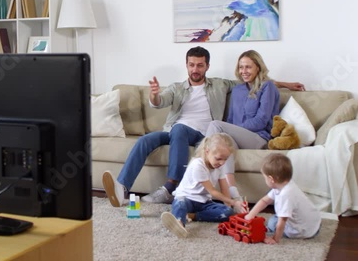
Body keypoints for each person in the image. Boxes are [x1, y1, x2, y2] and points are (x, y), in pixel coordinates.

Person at [102, 46, 305, 207]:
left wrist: (285, 84)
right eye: (192, 65)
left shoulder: (220, 85)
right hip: (175, 130)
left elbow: (256, 81)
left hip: (201, 134)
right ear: (187, 65)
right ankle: (122, 188)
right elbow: (158, 102)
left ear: (207, 66)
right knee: (147, 139)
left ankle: (171, 186)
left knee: (180, 130)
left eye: (200, 65)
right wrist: (154, 94)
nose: (195, 69)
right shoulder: (176, 88)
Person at [205, 50, 280, 204]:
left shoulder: (268, 87)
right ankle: (233, 194)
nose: (243, 71)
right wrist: (231, 131)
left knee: (215, 125)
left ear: (258, 67)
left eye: (248, 67)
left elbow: (261, 120)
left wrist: (235, 129)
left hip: (259, 138)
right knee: (223, 140)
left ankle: (202, 174)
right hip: (238, 138)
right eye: (241, 67)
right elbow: (231, 119)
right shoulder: (237, 90)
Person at [160, 133, 244, 238]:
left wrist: (228, 208)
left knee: (227, 212)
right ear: (207, 151)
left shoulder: (220, 166)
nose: (222, 163)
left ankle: (192, 216)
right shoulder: (198, 165)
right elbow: (212, 191)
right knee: (180, 203)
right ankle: (180, 223)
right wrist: (234, 202)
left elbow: (224, 188)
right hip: (187, 198)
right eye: (218, 158)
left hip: (204, 203)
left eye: (225, 159)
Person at [245, 153, 321, 244]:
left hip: (304, 231)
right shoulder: (285, 184)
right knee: (275, 218)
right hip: (314, 223)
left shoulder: (285, 195)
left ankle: (282, 235)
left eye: (264, 178)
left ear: (271, 179)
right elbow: (264, 201)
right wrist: (250, 215)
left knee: (272, 223)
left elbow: (282, 221)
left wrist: (275, 239)